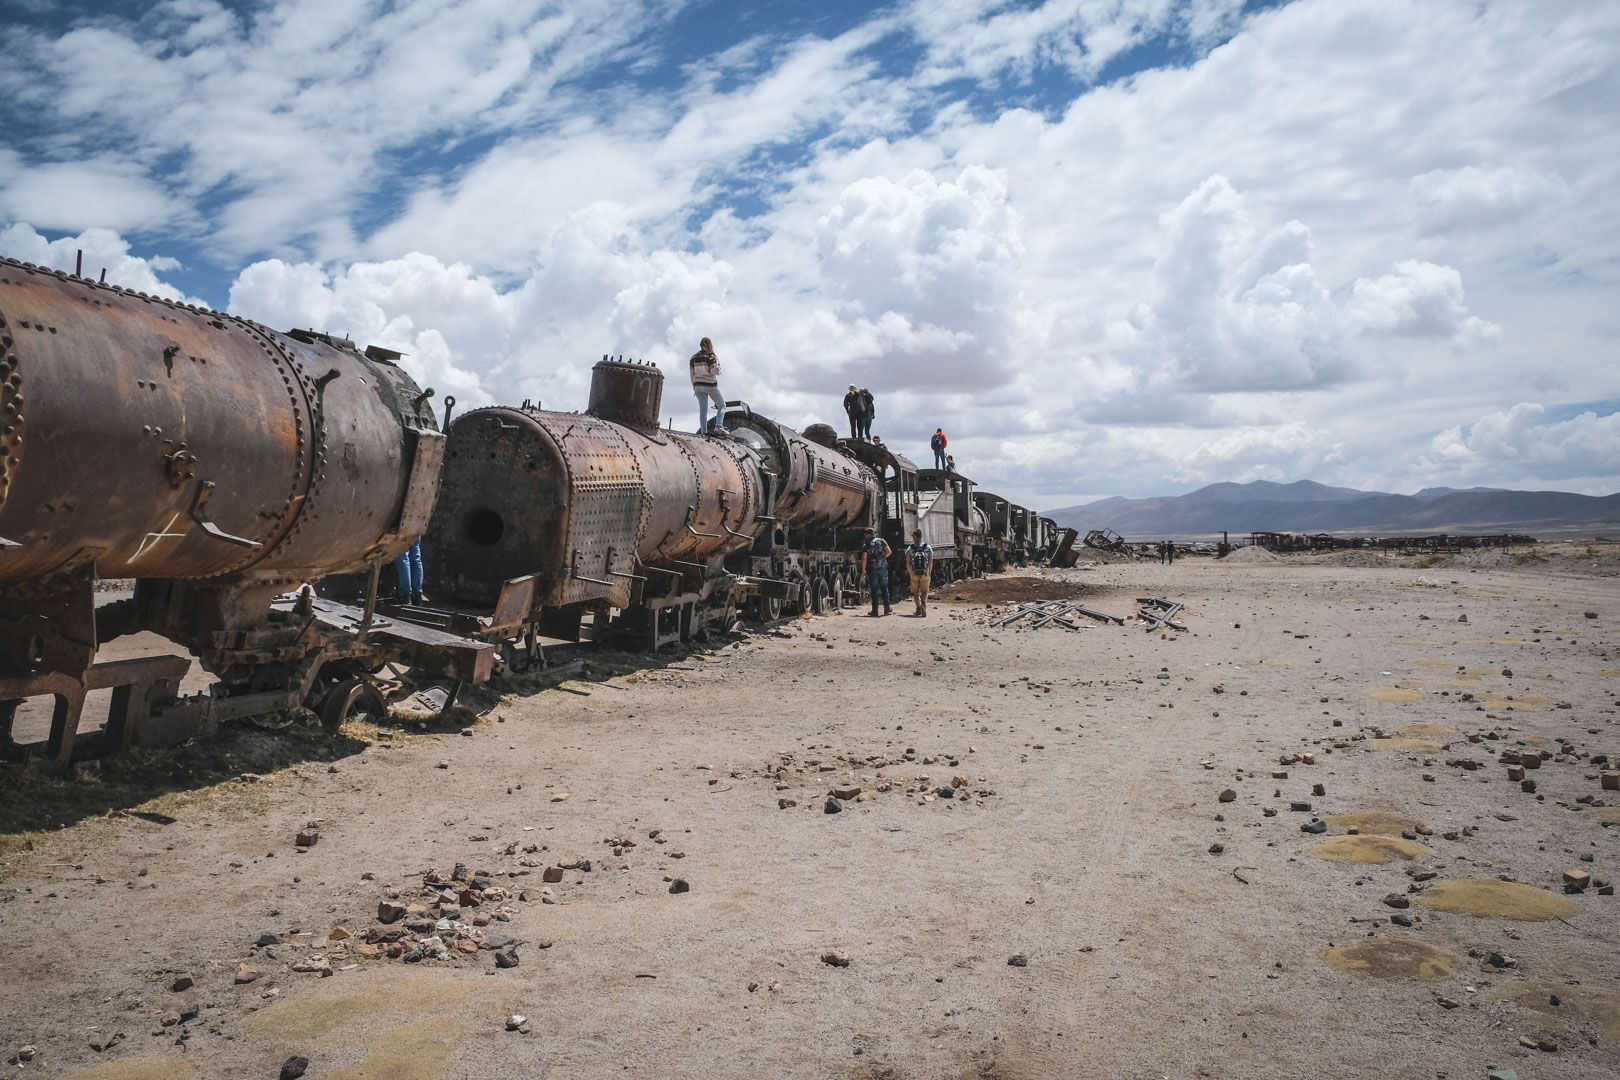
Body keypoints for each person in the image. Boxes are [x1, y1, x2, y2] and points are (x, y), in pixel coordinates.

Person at [690, 336, 724, 433]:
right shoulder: (710, 356)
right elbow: (714, 371)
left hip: (697, 386)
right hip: (710, 385)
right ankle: (718, 426)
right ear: (709, 344)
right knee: (722, 405)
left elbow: (691, 374)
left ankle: (703, 433)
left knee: (703, 410)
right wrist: (719, 370)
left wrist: (694, 386)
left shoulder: (693, 358)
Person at [860, 527, 892, 616]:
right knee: (884, 588)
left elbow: (864, 558)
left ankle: (875, 610)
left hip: (872, 569)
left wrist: (863, 570)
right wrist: (882, 558)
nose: (864, 536)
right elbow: (889, 552)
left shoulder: (866, 544)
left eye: (865, 534)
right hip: (883, 568)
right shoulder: (882, 541)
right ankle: (887, 609)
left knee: (874, 589)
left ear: (868, 534)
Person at [904, 528, 933, 616]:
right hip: (925, 572)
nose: (912, 538)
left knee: (915, 593)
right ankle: (923, 603)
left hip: (914, 573)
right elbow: (931, 561)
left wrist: (910, 571)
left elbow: (907, 562)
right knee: (925, 591)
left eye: (913, 536)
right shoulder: (927, 547)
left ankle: (918, 609)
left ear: (916, 537)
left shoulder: (910, 548)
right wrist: (929, 571)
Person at [395, 539, 425, 605]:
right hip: (417, 529)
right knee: (416, 558)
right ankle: (417, 596)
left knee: (402, 555)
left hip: (404, 530)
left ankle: (405, 596)